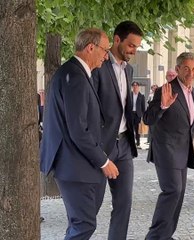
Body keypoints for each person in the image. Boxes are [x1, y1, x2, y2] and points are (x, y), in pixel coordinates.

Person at [40, 28, 118, 239]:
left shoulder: (76, 72)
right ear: (90, 47)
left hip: (74, 165)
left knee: (79, 224)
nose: (106, 55)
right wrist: (104, 161)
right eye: (105, 50)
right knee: (83, 225)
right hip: (73, 165)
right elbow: (78, 129)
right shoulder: (74, 75)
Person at [92, 20, 142, 240]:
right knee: (91, 206)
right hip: (101, 146)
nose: (134, 51)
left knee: (124, 204)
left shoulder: (129, 70)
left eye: (137, 47)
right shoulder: (98, 66)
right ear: (116, 39)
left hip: (124, 145)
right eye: (131, 45)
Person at [143, 52, 194, 239]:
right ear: (177, 69)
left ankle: (166, 235)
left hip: (183, 152)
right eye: (186, 69)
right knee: (172, 191)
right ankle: (155, 236)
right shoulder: (165, 90)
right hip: (166, 150)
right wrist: (163, 106)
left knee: (179, 194)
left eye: (193, 69)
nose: (191, 73)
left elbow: (189, 119)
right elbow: (148, 119)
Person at [131, 81, 146, 148]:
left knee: (137, 129)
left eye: (136, 86)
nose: (135, 87)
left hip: (137, 115)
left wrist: (142, 116)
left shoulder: (141, 96)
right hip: (130, 114)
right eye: (134, 86)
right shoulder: (129, 95)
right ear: (132, 87)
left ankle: (138, 143)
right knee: (130, 129)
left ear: (138, 87)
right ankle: (131, 142)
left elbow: (143, 107)